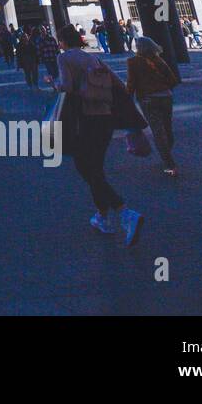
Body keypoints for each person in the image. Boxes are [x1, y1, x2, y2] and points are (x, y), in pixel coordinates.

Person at [46, 24, 144, 245]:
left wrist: (54, 83)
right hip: (105, 118)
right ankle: (103, 216)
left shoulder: (65, 58)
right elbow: (118, 84)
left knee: (85, 168)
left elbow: (67, 86)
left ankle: (124, 212)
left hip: (85, 119)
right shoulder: (91, 58)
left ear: (62, 41)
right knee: (95, 168)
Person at [126, 36, 180, 176]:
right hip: (165, 97)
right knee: (167, 127)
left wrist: (128, 98)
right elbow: (173, 79)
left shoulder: (132, 62)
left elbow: (131, 83)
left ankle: (168, 163)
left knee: (157, 131)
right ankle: (167, 153)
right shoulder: (159, 60)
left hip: (147, 99)